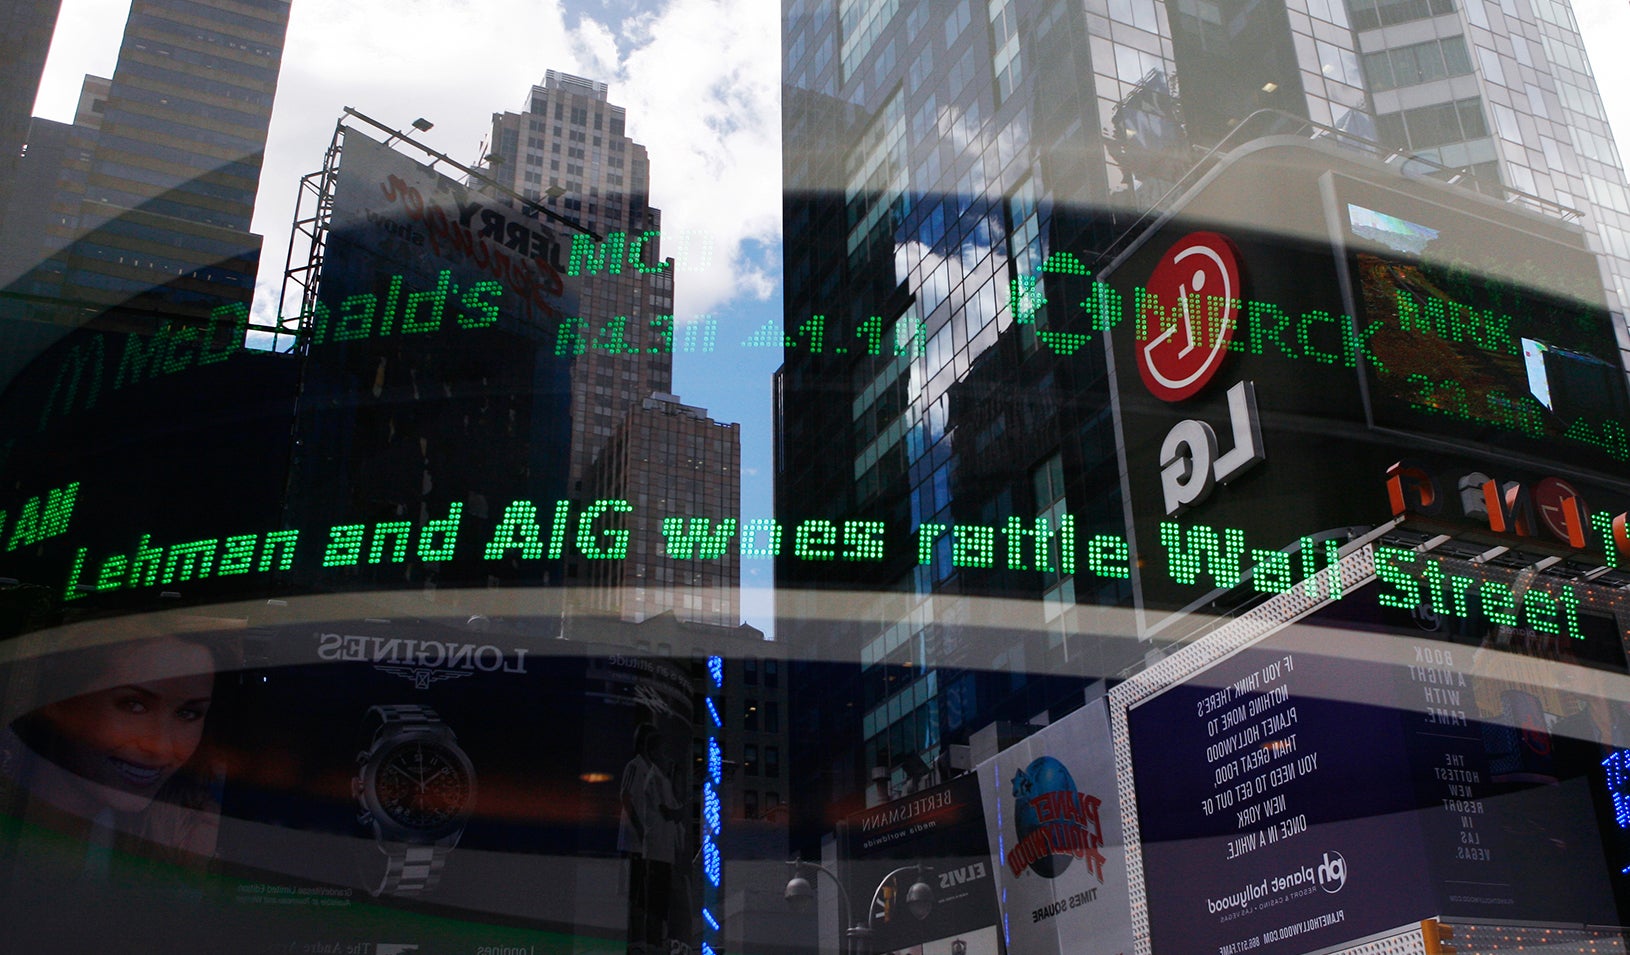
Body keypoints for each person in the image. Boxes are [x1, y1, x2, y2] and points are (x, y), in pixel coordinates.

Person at [2, 631, 227, 866]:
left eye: (187, 714)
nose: (160, 747)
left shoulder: (141, 847)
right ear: (55, 699)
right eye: (134, 705)